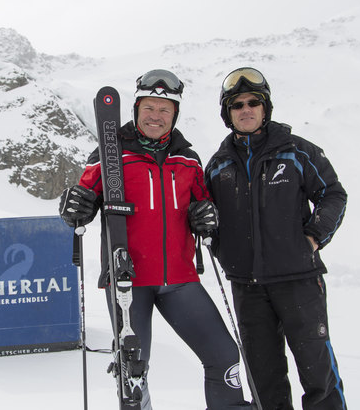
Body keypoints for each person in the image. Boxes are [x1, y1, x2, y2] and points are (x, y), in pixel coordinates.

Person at [59, 69, 252, 410]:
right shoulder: (109, 154)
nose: (156, 116)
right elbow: (80, 205)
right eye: (149, 107)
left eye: (165, 109)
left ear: (175, 115)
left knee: (224, 357)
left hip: (180, 280)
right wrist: (74, 205)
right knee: (133, 372)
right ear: (136, 109)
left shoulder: (187, 159)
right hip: (128, 283)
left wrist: (205, 215)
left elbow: (204, 206)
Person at [204, 66, 348, 410]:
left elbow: (333, 195)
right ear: (228, 114)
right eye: (237, 105)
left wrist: (313, 236)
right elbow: (205, 217)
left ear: (266, 108)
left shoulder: (297, 151)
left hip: (299, 281)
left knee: (318, 375)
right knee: (264, 380)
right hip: (247, 288)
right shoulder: (217, 166)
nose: (246, 109)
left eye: (254, 102)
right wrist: (222, 248)